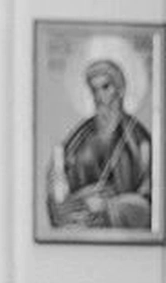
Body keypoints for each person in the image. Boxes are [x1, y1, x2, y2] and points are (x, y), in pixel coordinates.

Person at [47, 57, 152, 231]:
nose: (98, 96)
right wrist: (81, 198)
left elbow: (149, 204)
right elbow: (59, 189)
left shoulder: (138, 140)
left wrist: (107, 206)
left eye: (105, 87)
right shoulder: (80, 136)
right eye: (93, 89)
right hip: (81, 223)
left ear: (120, 89)